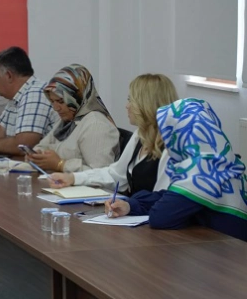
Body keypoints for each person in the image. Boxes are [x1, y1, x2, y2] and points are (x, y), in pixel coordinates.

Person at [106, 98, 247, 241]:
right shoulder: (219, 159)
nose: (166, 140)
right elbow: (168, 196)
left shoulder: (202, 170)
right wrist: (130, 205)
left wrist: (185, 216)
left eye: (169, 132)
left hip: (232, 250)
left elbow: (160, 217)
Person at [50, 73, 179, 194]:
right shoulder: (140, 135)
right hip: (132, 207)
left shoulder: (171, 146)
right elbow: (116, 175)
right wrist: (73, 178)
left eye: (131, 100)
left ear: (146, 104)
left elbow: (162, 197)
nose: (127, 106)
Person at [27, 64, 118, 172]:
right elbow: (43, 145)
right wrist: (36, 155)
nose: (56, 108)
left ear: (77, 96)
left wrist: (61, 165)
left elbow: (101, 174)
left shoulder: (96, 125)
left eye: (61, 101)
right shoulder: (68, 120)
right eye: (52, 101)